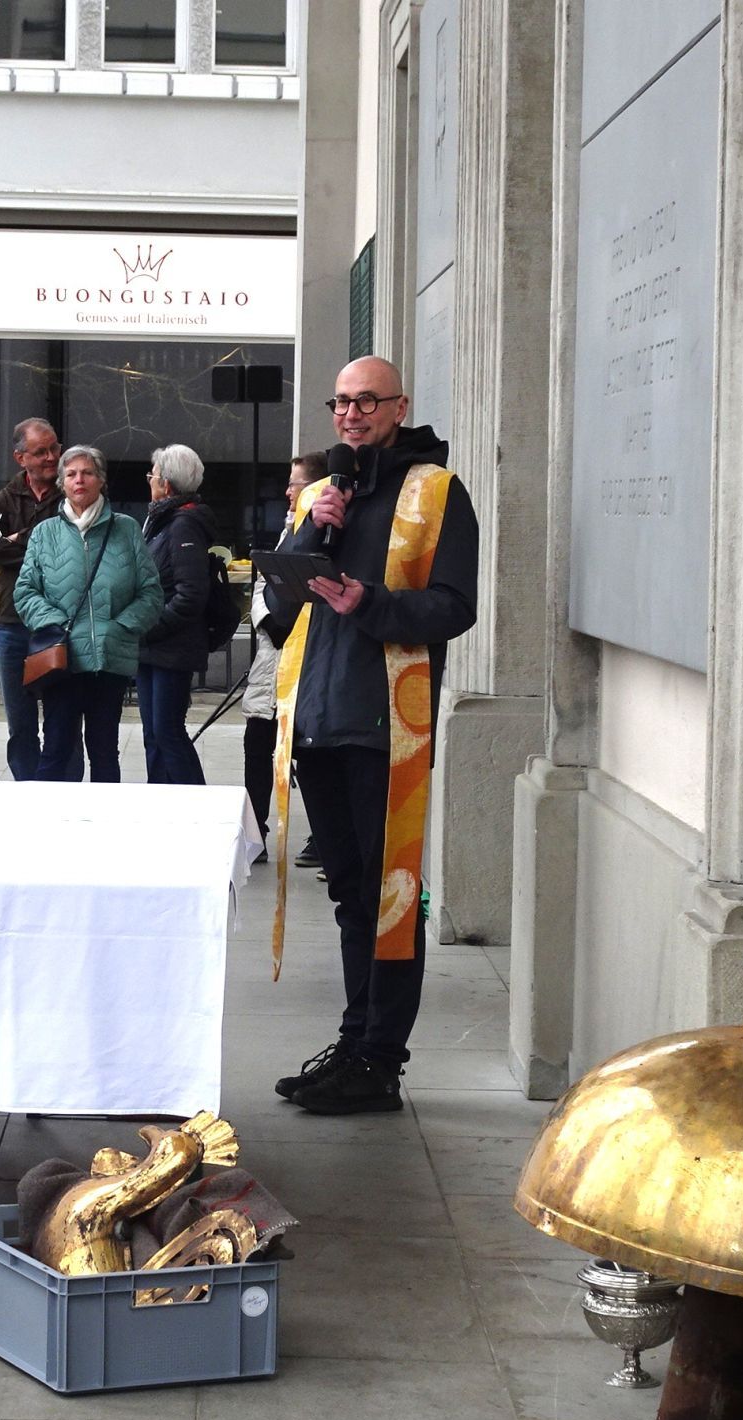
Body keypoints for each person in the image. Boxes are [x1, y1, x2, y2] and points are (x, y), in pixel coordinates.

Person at [267, 356, 479, 1115]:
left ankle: (382, 1061)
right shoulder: (328, 492)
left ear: (399, 407)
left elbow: (454, 606)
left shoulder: (435, 493)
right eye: (341, 402)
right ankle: (353, 1043)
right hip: (321, 720)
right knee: (352, 898)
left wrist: (372, 602)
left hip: (387, 724)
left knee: (391, 902)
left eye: (367, 401)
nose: (352, 414)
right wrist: (307, 535)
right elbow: (278, 598)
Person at [13, 444, 160, 783]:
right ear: (62, 483)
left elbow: (151, 593)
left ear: (100, 480)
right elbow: (25, 592)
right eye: (71, 474)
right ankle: (51, 828)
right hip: (62, 659)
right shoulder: (44, 533)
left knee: (105, 753)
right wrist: (54, 625)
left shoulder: (126, 529)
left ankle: (104, 830)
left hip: (109, 660)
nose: (79, 480)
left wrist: (120, 627)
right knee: (55, 752)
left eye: (87, 473)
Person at [243, 452, 326, 862]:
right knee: (256, 745)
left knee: (306, 756)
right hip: (269, 660)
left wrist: (290, 627)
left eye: (295, 484)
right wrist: (268, 622)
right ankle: (253, 830)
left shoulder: (322, 532)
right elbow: (262, 583)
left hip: (301, 665)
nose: (287, 492)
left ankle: (323, 836)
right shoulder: (286, 530)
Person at [0, 416, 65, 780]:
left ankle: (65, 796)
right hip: (12, 624)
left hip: (59, 624)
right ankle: (27, 791)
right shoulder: (6, 497)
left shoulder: (71, 493)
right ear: (20, 458)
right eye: (40, 451)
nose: (51, 457)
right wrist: (41, 543)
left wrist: (20, 539)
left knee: (63, 723)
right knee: (21, 724)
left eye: (54, 448)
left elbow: (72, 548)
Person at [135, 443, 214, 786]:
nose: (148, 482)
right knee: (155, 734)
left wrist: (149, 627)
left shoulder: (182, 524)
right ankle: (160, 805)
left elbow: (190, 594)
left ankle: (199, 809)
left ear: (165, 485)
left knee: (167, 733)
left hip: (170, 647)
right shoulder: (163, 519)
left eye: (151, 476)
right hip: (154, 647)